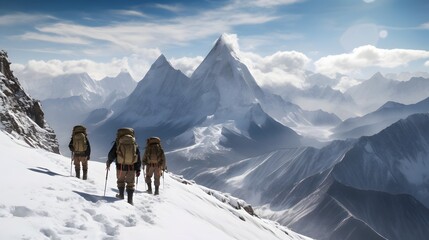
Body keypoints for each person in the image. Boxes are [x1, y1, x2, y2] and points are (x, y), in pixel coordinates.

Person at [106, 128, 141, 205]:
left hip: (120, 166)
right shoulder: (133, 142)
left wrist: (109, 162)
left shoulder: (118, 142)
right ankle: (130, 200)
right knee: (130, 183)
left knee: (120, 181)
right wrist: (138, 169)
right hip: (131, 167)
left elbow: (112, 154)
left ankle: (121, 195)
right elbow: (138, 156)